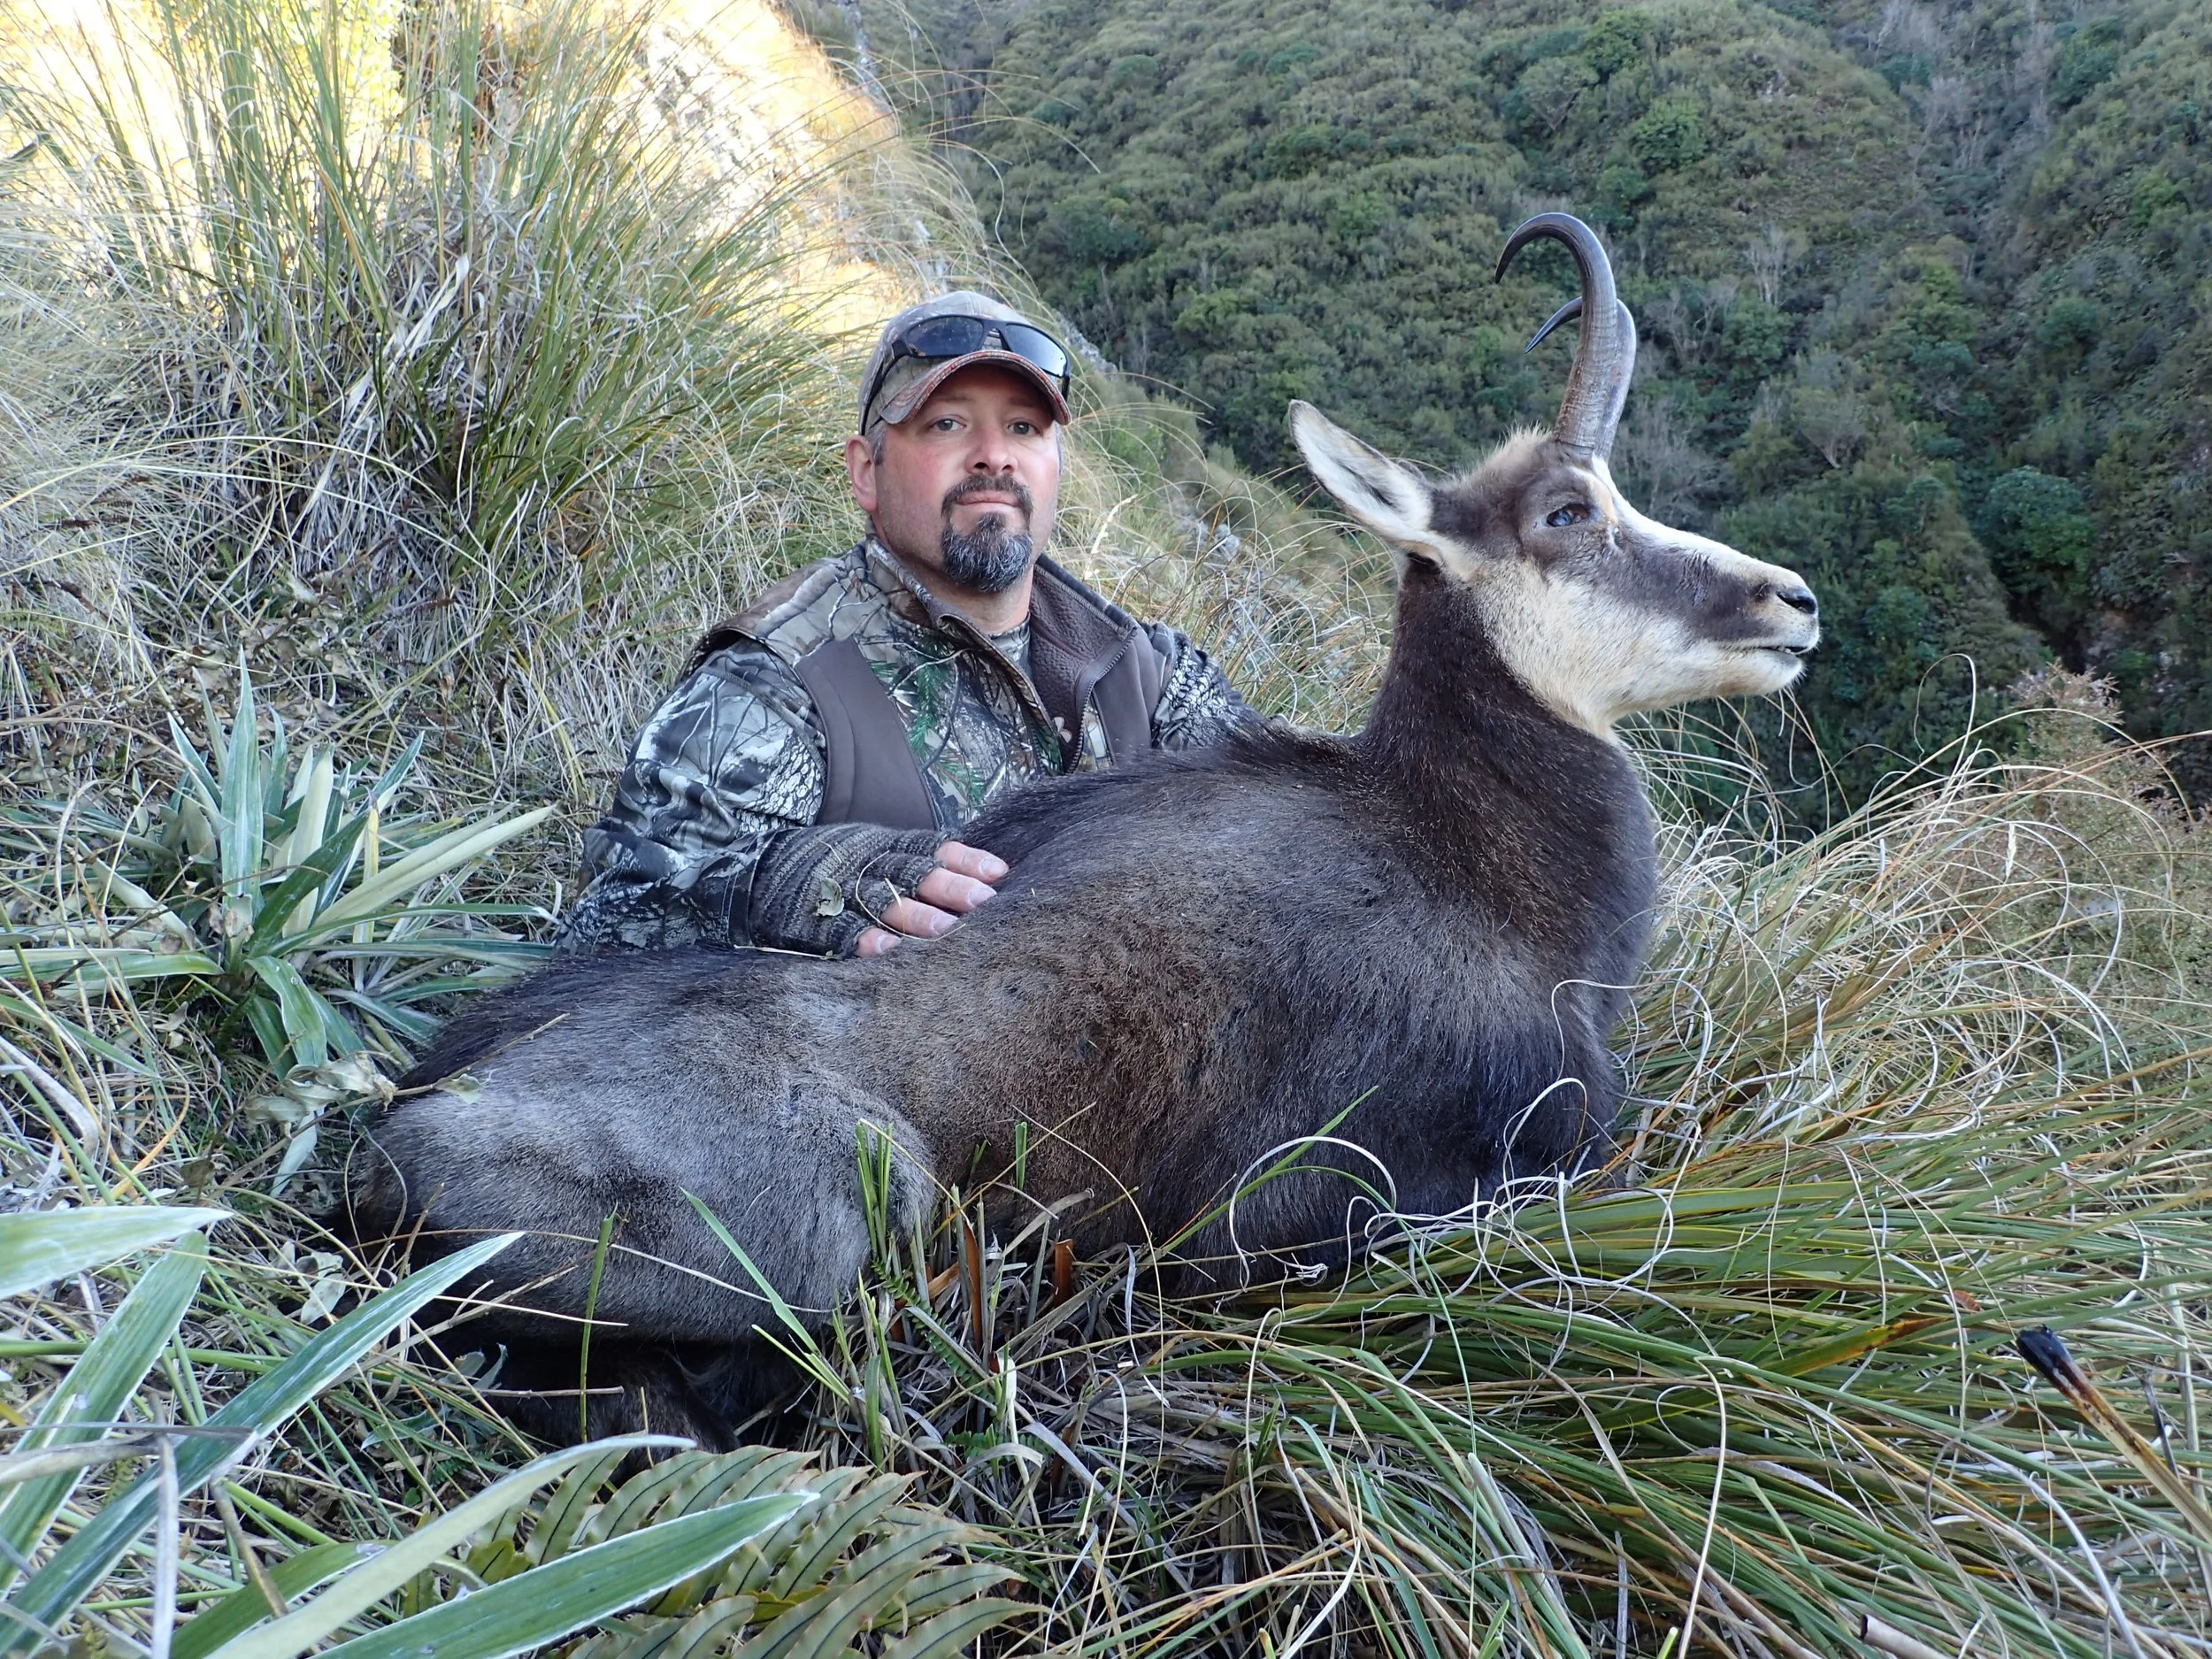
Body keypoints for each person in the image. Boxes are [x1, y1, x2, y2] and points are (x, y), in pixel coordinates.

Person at [554, 291, 1251, 957]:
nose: (994, 456)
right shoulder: (777, 684)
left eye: (1023, 428)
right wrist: (790, 884)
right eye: (947, 423)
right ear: (866, 471)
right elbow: (605, 932)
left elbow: (1295, 826)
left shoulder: (1150, 674)